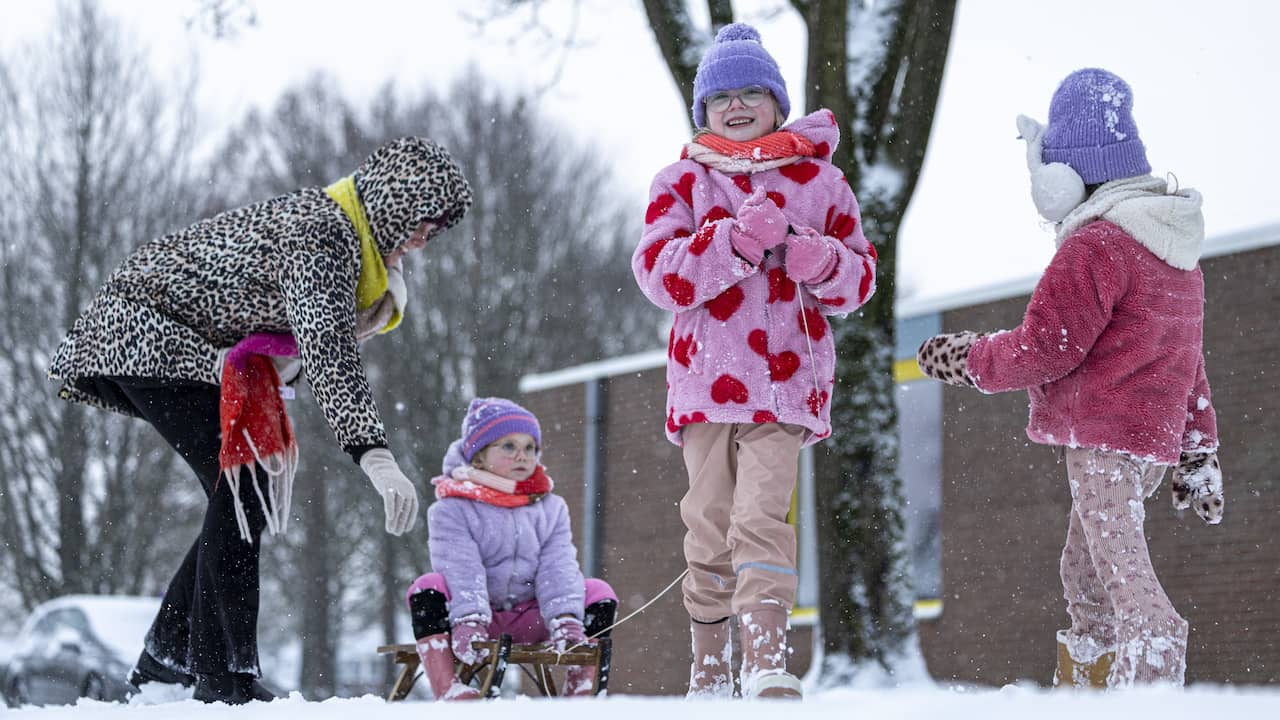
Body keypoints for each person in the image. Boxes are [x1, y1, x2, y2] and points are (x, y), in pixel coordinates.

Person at [47, 136, 473, 704]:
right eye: (424, 219)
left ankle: (169, 661)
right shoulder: (321, 234)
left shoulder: (345, 238)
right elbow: (328, 349)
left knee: (239, 490)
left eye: (438, 227)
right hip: (146, 335)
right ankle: (220, 676)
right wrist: (373, 452)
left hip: (184, 351)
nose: (426, 236)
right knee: (245, 487)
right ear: (393, 204)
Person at [914, 68, 1223, 689]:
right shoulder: (1174, 255)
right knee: (1084, 573)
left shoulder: (1095, 247)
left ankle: (1153, 685)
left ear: (1068, 175)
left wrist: (969, 357)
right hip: (1149, 446)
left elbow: (1044, 348)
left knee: (1124, 577)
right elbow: (1191, 363)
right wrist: (1197, 452)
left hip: (1104, 438)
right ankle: (1086, 691)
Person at [630, 23, 877, 700]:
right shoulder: (680, 182)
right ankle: (710, 665)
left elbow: (860, 281)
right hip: (707, 384)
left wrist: (819, 259)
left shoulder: (820, 184)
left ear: (776, 101)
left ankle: (768, 656)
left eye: (751, 94)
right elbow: (659, 275)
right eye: (720, 98)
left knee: (761, 517)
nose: (735, 107)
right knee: (708, 524)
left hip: (786, 387)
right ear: (702, 112)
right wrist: (734, 244)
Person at [405, 397, 618, 700]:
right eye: (508, 446)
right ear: (478, 454)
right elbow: (460, 566)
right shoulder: (452, 508)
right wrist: (469, 619)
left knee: (598, 591)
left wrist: (565, 618)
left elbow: (557, 565)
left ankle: (580, 684)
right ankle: (448, 688)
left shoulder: (550, 507)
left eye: (530, 447)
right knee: (426, 587)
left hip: (532, 617)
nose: (522, 455)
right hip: (475, 620)